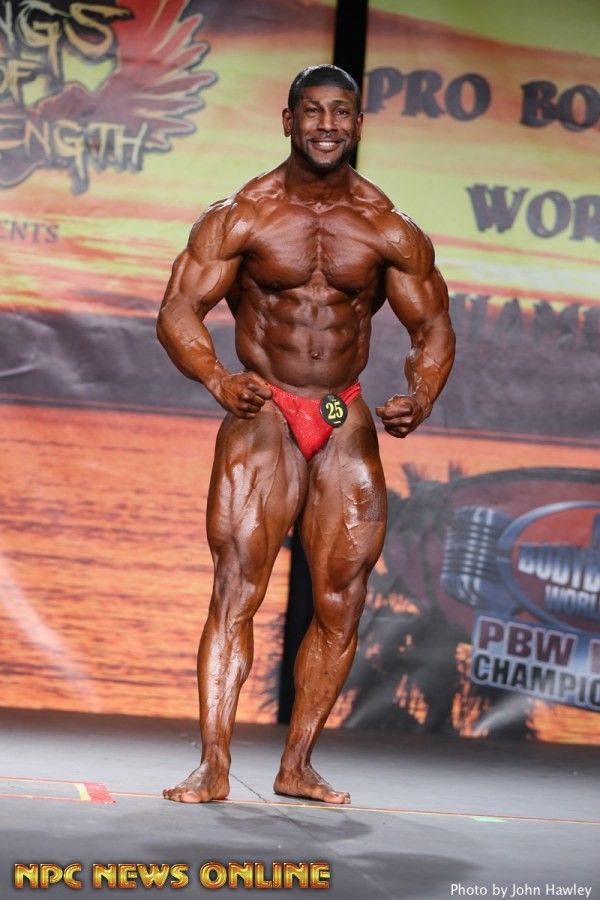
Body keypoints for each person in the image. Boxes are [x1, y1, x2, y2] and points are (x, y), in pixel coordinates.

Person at [157, 64, 455, 804]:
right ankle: (213, 764)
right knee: (236, 586)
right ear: (289, 121)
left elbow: (432, 326)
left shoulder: (389, 227)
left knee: (342, 599)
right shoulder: (242, 216)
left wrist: (421, 395)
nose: (328, 125)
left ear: (358, 124)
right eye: (314, 112)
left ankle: (297, 764)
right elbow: (177, 311)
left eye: (341, 112)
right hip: (264, 409)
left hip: (342, 413)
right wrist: (219, 380)